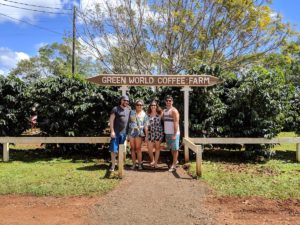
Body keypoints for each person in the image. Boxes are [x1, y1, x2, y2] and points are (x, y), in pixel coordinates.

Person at [109, 95, 131, 172]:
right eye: (124, 100)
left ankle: (119, 164)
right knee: (114, 150)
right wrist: (112, 131)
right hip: (116, 133)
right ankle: (113, 165)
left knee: (122, 151)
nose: (126, 102)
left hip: (124, 134)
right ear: (121, 100)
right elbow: (111, 120)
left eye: (127, 101)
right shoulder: (115, 109)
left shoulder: (128, 110)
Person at [128, 99, 148, 170]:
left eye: (140, 105)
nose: (139, 106)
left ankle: (139, 164)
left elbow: (146, 126)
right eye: (137, 105)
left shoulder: (144, 114)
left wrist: (146, 135)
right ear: (135, 105)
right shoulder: (131, 112)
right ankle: (133, 164)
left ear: (142, 106)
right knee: (132, 149)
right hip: (131, 132)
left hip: (139, 133)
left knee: (138, 149)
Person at [163, 95, 180, 172]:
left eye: (170, 101)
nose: (168, 102)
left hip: (174, 133)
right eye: (167, 101)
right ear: (165, 102)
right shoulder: (165, 111)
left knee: (175, 149)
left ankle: (173, 165)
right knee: (172, 149)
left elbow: (176, 123)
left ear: (172, 102)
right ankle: (175, 161)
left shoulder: (174, 111)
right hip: (167, 133)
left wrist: (175, 134)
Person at [146, 100, 164, 168]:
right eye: (152, 105)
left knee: (157, 148)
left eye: (154, 105)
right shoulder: (147, 115)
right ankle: (152, 160)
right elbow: (146, 125)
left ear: (156, 106)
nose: (153, 106)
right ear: (150, 106)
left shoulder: (160, 113)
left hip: (158, 133)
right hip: (150, 133)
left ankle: (156, 163)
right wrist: (147, 135)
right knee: (149, 148)